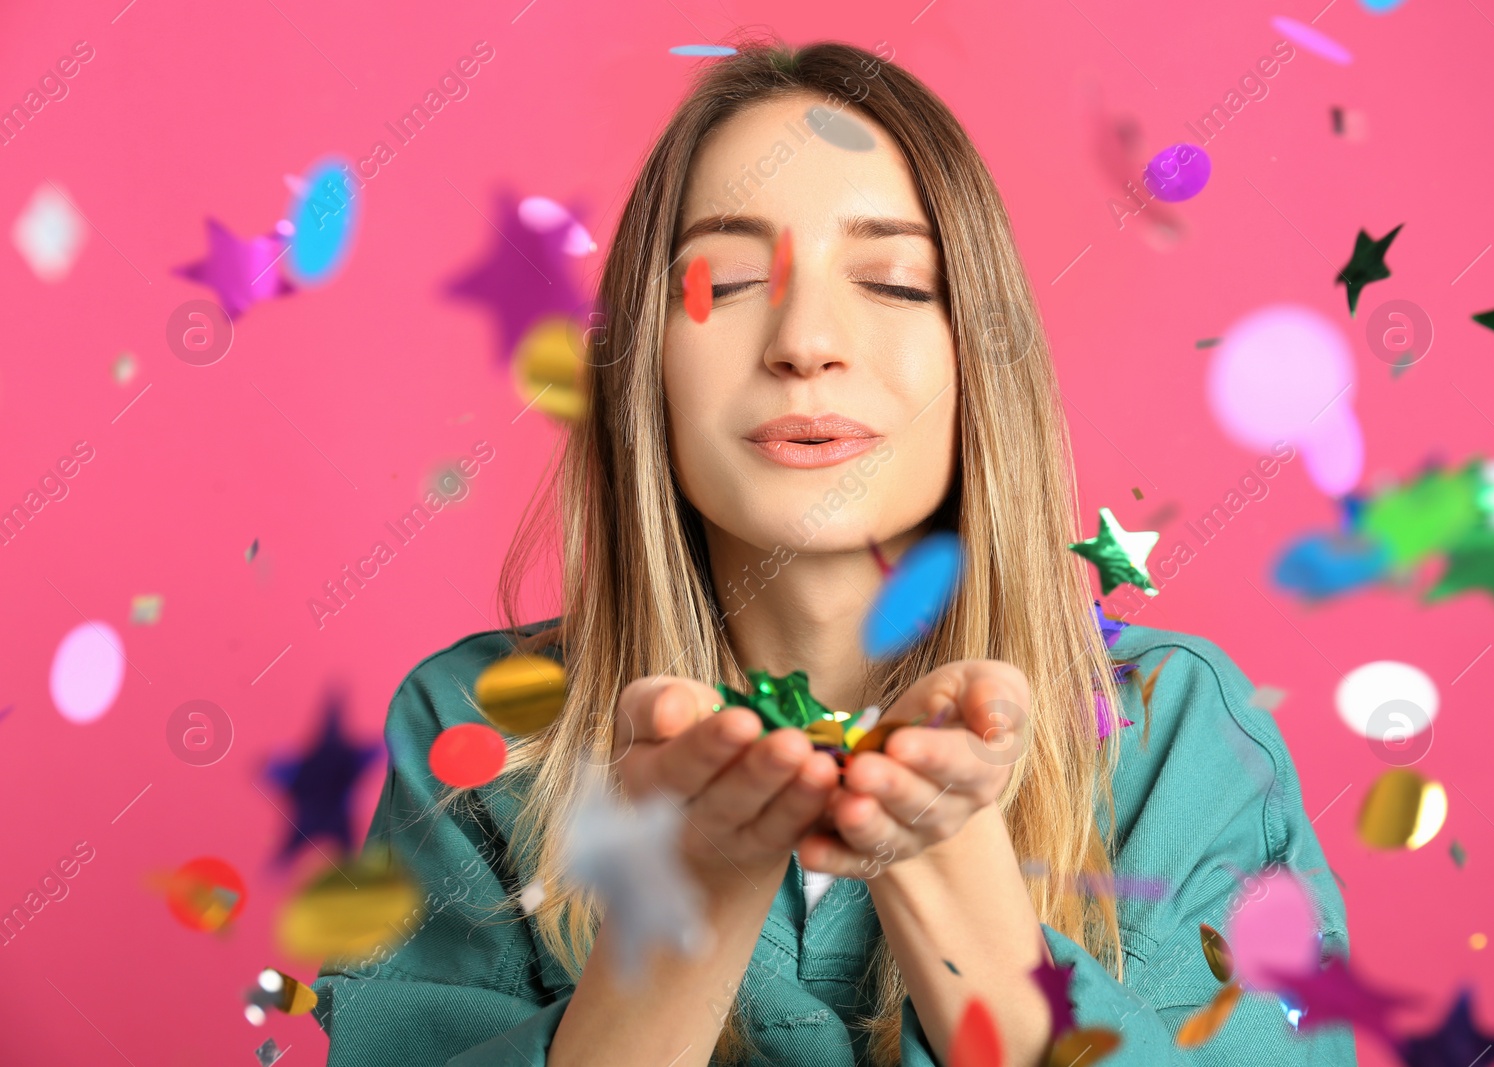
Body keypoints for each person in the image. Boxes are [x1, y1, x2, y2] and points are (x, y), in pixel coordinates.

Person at [312, 37, 1355, 1067]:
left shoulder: (1166, 728)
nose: (805, 340)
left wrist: (948, 864)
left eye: (896, 282)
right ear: (645, 368)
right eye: (720, 282)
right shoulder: (484, 729)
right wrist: (688, 913)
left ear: (980, 359)